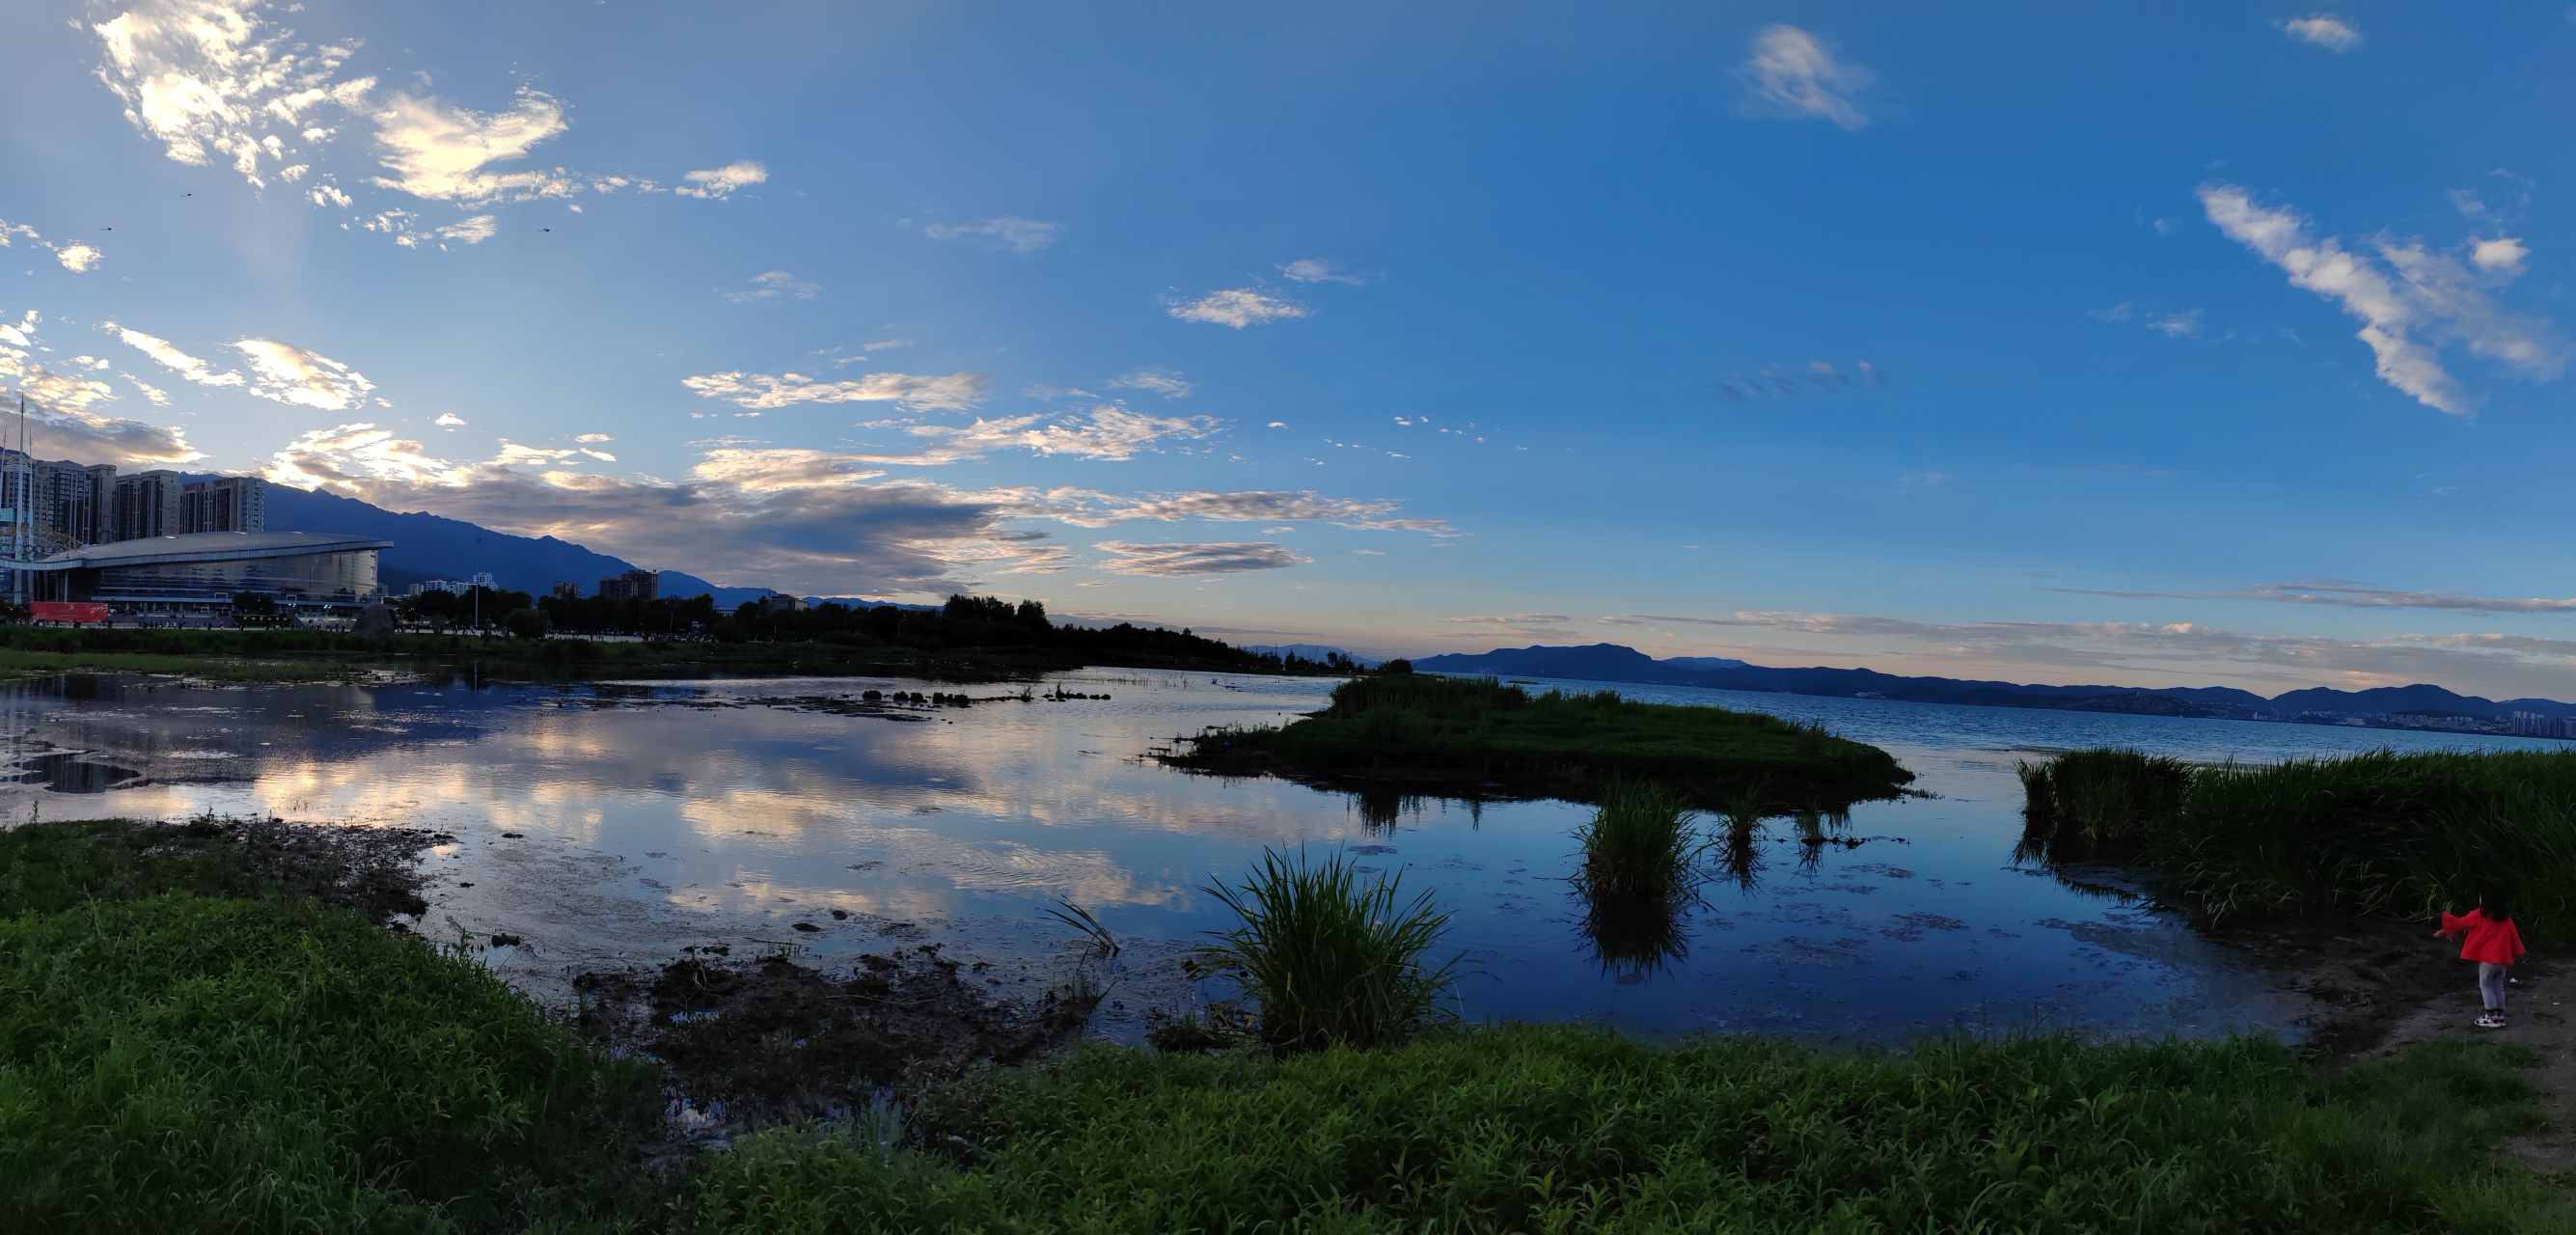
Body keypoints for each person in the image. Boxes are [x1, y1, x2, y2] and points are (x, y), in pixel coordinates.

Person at [2439, 890, 2528, 1029]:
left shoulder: (2478, 915)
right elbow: (2515, 938)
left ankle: (2490, 1017)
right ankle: (2499, 1017)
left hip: (2488, 959)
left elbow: (2459, 923)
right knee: (2498, 986)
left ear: (2484, 901)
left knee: (2485, 985)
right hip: (2502, 959)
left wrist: (2446, 928)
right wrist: (2517, 953)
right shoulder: (2506, 919)